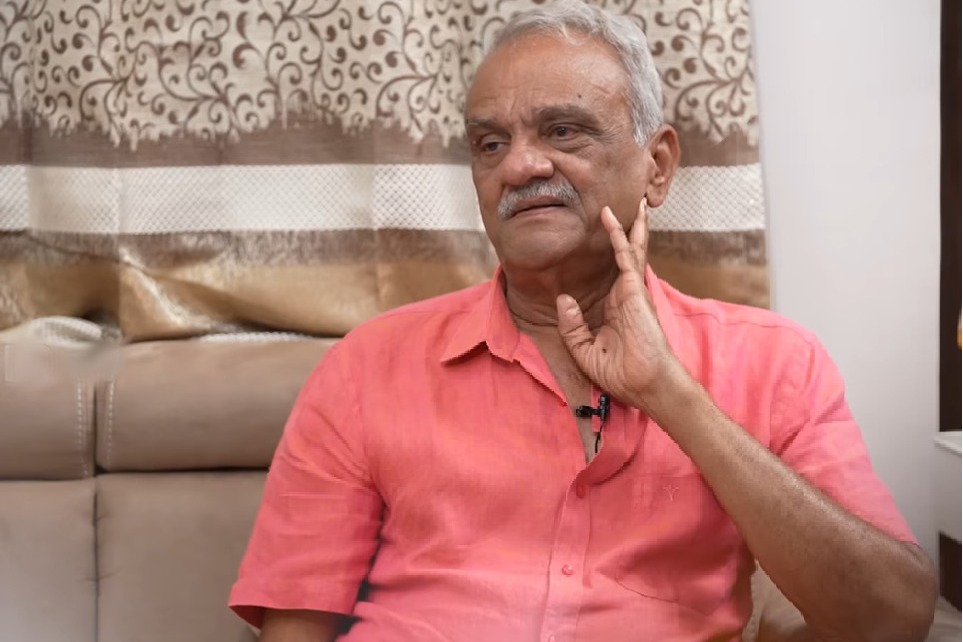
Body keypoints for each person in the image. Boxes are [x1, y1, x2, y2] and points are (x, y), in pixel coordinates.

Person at [229, 2, 937, 640]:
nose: (518, 166)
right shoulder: (369, 366)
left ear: (657, 166)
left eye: (562, 131)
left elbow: (891, 618)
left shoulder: (775, 363)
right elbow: (295, 630)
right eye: (490, 144)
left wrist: (672, 396)